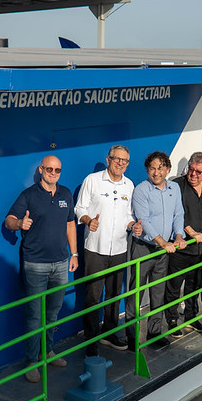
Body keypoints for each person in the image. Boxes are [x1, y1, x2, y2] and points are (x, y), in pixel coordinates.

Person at [4, 155, 78, 383]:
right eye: (49, 169)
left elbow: (69, 224)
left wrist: (74, 254)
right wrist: (19, 224)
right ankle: (32, 362)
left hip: (61, 263)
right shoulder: (29, 195)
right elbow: (9, 220)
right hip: (35, 265)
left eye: (57, 170)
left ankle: (47, 352)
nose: (53, 173)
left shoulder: (65, 194)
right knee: (35, 316)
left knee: (53, 313)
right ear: (41, 170)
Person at [74, 145, 143, 357]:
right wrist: (87, 220)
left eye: (125, 160)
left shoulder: (129, 185)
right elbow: (80, 208)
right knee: (93, 296)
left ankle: (110, 332)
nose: (120, 163)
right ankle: (91, 339)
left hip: (120, 248)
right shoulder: (92, 180)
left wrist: (133, 226)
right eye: (117, 159)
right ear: (108, 159)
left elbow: (129, 216)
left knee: (114, 294)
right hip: (95, 248)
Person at [125, 151, 187, 349]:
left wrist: (178, 236)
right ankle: (132, 338)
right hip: (144, 248)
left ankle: (154, 333)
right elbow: (145, 220)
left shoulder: (174, 188)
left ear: (168, 169)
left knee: (158, 293)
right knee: (135, 294)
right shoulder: (141, 190)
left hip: (164, 251)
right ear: (147, 170)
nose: (156, 172)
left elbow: (178, 213)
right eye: (152, 168)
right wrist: (163, 243)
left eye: (161, 168)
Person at [164, 152, 202, 335]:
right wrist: (190, 232)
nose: (194, 174)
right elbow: (173, 214)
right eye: (191, 170)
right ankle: (172, 321)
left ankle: (191, 317)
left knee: (195, 285)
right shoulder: (176, 186)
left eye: (198, 172)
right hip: (182, 249)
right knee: (174, 286)